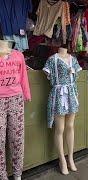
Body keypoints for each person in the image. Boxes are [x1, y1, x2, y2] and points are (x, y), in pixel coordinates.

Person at [43, 46, 82, 175]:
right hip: (59, 94)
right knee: (60, 128)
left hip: (71, 93)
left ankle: (70, 158)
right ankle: (62, 160)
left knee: (70, 126)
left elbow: (76, 75)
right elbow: (49, 74)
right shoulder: (51, 59)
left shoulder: (73, 60)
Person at [0, 40, 31, 180]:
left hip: (16, 99)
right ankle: (2, 175)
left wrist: (26, 93)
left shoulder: (18, 55)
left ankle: (18, 174)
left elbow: (23, 76)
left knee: (17, 138)